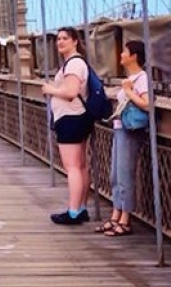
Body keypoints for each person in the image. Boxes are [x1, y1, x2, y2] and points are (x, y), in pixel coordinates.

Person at [96, 40, 150, 237]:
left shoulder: (142, 78)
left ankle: (125, 220)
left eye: (125, 51)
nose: (121, 54)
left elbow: (147, 104)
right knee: (116, 175)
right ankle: (116, 214)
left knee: (125, 174)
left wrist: (127, 91)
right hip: (120, 127)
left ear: (134, 56)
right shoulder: (131, 77)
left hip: (130, 129)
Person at [41, 26, 94, 225]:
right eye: (58, 39)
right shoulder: (78, 63)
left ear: (75, 41)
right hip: (78, 117)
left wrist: (50, 89)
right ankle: (80, 208)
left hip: (70, 118)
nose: (60, 42)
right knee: (80, 166)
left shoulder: (73, 64)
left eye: (65, 38)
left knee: (72, 167)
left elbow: (71, 92)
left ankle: (73, 212)